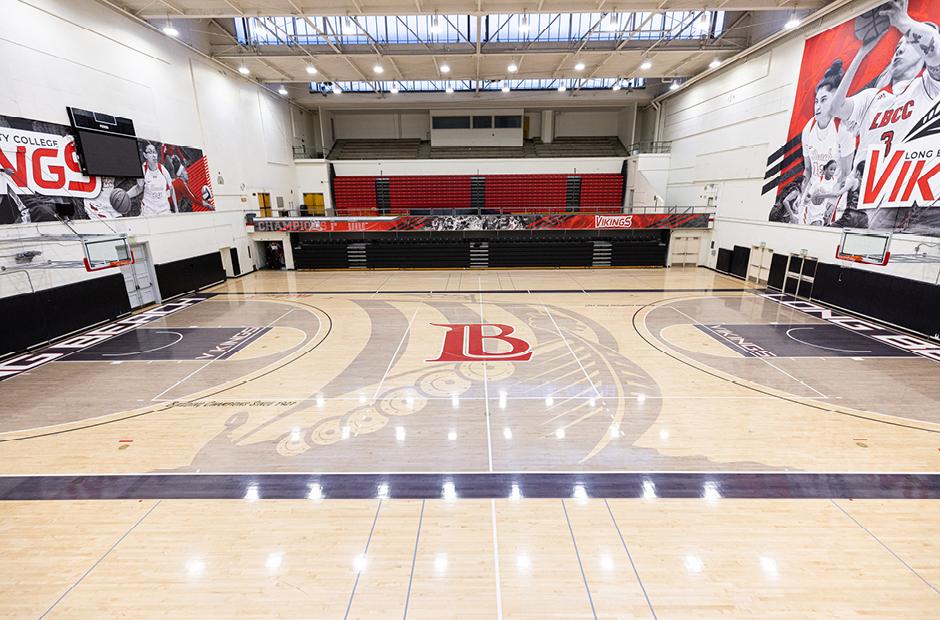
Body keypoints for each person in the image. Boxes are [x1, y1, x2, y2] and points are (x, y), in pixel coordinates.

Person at [128, 142, 177, 216]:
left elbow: (171, 188)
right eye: (150, 152)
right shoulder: (143, 169)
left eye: (154, 152)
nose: (153, 155)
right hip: (148, 211)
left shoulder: (162, 169)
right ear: (145, 155)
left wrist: (176, 209)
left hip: (164, 210)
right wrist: (126, 195)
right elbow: (139, 188)